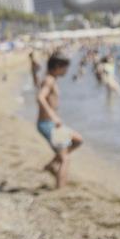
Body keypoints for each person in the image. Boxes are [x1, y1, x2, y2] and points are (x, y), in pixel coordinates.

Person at [37, 53, 83, 189]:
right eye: (65, 68)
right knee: (65, 159)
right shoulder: (49, 80)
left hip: (49, 123)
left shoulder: (50, 79)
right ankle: (60, 190)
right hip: (48, 124)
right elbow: (40, 98)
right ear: (57, 66)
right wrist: (54, 117)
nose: (66, 71)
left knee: (78, 140)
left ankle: (51, 165)